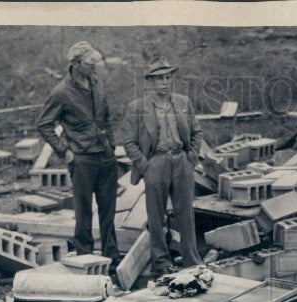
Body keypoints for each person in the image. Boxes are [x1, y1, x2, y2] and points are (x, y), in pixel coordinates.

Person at [36, 41, 120, 264]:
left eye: (95, 61)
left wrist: (111, 144)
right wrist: (64, 151)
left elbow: (106, 117)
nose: (94, 65)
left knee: (108, 212)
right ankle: (85, 260)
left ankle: (111, 258)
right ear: (75, 64)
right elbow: (44, 124)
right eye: (89, 62)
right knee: (83, 213)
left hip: (106, 156)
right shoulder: (61, 93)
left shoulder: (96, 83)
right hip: (82, 160)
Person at [118, 57, 203, 274]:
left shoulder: (183, 103)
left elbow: (196, 132)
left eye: (167, 77)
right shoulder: (137, 108)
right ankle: (161, 262)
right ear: (150, 82)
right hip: (155, 162)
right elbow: (128, 142)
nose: (164, 82)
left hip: (181, 161)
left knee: (186, 213)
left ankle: (192, 261)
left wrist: (191, 157)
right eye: (158, 79)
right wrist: (145, 165)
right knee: (156, 216)